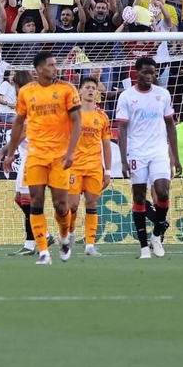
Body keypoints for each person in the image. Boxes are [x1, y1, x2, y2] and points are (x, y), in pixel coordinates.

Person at [0, 50, 81, 266]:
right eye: (50, 65)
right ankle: (42, 251)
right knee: (35, 201)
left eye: (54, 64)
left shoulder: (66, 89)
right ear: (39, 69)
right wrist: (10, 153)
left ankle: (63, 236)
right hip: (35, 156)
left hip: (59, 156)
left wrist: (70, 152)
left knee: (61, 205)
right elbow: (19, 124)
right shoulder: (26, 93)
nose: (54, 68)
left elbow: (77, 120)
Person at [114, 56, 179, 260]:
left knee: (163, 192)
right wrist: (123, 159)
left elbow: (170, 125)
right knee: (139, 197)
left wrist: (175, 157)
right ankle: (143, 247)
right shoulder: (126, 96)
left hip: (159, 151)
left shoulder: (163, 94)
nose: (150, 76)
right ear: (137, 72)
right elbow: (121, 129)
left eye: (153, 72)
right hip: (136, 152)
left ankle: (157, 235)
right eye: (146, 72)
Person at [69, 76, 113, 258]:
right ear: (79, 91)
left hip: (94, 167)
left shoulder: (102, 117)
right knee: (71, 205)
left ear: (97, 93)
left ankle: (90, 245)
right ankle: (69, 233)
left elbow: (107, 145)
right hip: (73, 166)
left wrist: (108, 171)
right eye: (86, 87)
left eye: (93, 88)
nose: (90, 90)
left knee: (92, 203)